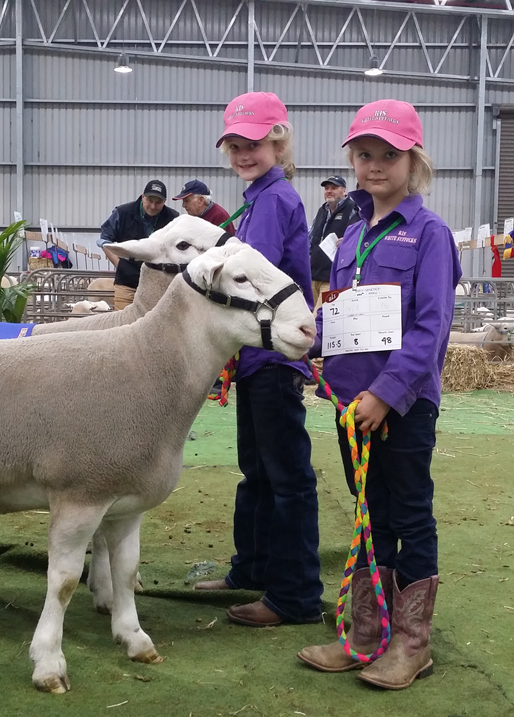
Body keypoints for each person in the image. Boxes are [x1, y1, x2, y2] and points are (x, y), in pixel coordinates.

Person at [297, 100, 461, 689]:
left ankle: (412, 644)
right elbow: (340, 317)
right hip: (351, 407)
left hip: (404, 406)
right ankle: (367, 633)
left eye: (388, 155)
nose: (374, 166)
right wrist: (313, 360)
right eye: (364, 155)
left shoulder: (430, 235)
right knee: (371, 514)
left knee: (410, 514)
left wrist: (386, 395)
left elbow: (431, 328)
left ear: (413, 161)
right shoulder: (350, 234)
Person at [193, 92, 323, 629]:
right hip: (256, 357)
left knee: (285, 476)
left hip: (272, 356)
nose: (244, 152)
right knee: (259, 472)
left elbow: (250, 277)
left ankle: (293, 595)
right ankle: (252, 568)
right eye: (236, 145)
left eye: (255, 143)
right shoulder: (256, 199)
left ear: (278, 140)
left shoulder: (270, 202)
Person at [97, 180, 179, 310]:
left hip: (159, 285)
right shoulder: (122, 213)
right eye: (149, 200)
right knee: (123, 324)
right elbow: (104, 241)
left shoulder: (173, 219)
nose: (153, 206)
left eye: (158, 202)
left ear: (164, 202)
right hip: (127, 282)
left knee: (156, 326)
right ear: (143, 197)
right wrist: (120, 265)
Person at [309, 175, 359, 309]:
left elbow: (362, 235)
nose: (329, 191)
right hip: (314, 274)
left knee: (318, 318)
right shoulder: (322, 211)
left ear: (344, 191)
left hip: (332, 276)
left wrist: (349, 241)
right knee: (309, 314)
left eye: (334, 188)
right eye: (326, 188)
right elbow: (311, 236)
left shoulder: (353, 209)